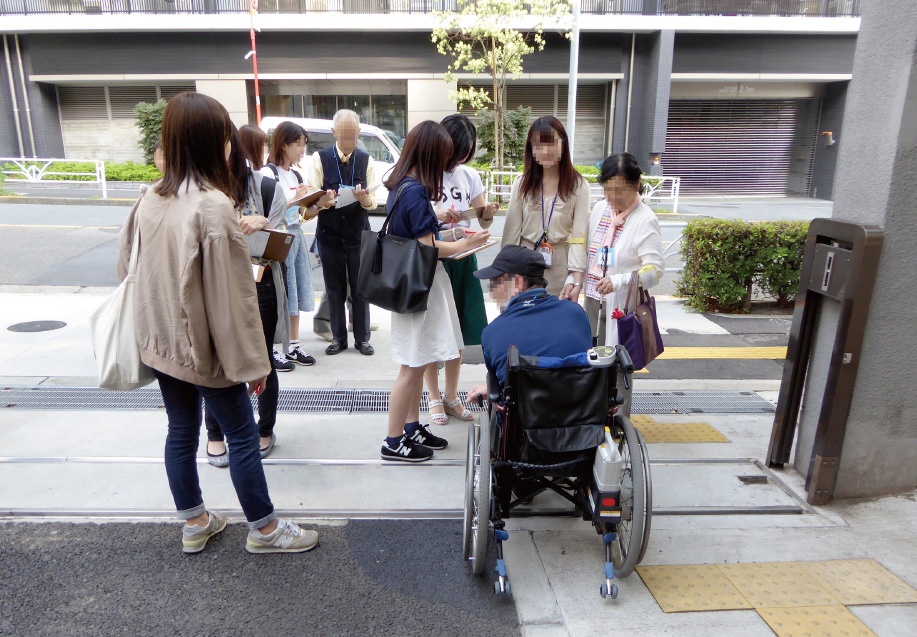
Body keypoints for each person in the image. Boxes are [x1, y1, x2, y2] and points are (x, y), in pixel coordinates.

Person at [117, 92, 317, 554]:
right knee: (243, 434)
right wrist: (254, 365)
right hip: (205, 349)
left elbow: (127, 266)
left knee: (180, 430)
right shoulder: (213, 207)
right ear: (214, 143)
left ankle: (195, 522)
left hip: (163, 343)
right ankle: (265, 530)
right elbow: (234, 301)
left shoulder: (150, 197)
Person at [381, 120, 491, 462]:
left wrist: (455, 238)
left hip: (413, 284)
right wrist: (466, 241)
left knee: (421, 358)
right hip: (420, 286)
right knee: (411, 366)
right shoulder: (413, 192)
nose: (448, 163)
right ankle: (393, 440)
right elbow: (430, 247)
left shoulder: (402, 184)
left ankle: (412, 428)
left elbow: (423, 240)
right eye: (443, 155)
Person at [203, 124, 294, 469]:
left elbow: (285, 239)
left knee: (262, 359)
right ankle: (214, 433)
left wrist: (264, 225)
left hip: (262, 282)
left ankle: (265, 428)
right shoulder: (205, 189)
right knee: (218, 362)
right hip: (218, 286)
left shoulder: (266, 187)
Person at [423, 114, 498, 425]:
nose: (461, 160)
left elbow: (482, 220)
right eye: (458, 152)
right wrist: (437, 212)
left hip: (464, 257)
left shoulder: (469, 176)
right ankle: (432, 396)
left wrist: (489, 213)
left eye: (467, 154)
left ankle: (451, 395)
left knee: (460, 332)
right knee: (431, 331)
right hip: (433, 258)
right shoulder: (425, 174)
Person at [467, 245, 593, 392]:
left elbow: (499, 382)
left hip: (526, 412)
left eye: (496, 282)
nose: (492, 290)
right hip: (582, 410)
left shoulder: (492, 332)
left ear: (517, 282)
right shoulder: (576, 313)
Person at [304, 109, 376, 356]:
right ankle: (338, 338)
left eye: (354, 135)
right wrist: (324, 200)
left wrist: (365, 198)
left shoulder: (367, 159)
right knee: (334, 288)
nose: (349, 141)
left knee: (360, 288)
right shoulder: (319, 159)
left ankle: (362, 338)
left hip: (358, 234)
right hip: (329, 233)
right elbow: (310, 200)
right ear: (334, 133)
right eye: (345, 136)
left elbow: (373, 201)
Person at [262, 122, 330, 367]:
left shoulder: (296, 174)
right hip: (278, 237)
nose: (302, 149)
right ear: (284, 144)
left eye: (303, 144)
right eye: (297, 144)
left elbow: (304, 215)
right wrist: (293, 199)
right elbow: (269, 212)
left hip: (295, 235)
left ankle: (294, 344)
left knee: (296, 289)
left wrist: (320, 203)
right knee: (281, 292)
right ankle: (274, 347)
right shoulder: (268, 173)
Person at [502, 116, 591, 300]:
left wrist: (575, 280)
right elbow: (511, 234)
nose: (545, 151)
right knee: (526, 323)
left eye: (551, 143)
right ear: (531, 149)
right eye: (538, 145)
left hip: (560, 266)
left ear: (563, 144)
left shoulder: (579, 186)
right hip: (524, 263)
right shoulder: (522, 183)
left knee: (557, 324)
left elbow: (579, 237)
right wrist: (506, 272)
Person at [585, 153, 664, 346]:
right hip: (594, 299)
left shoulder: (645, 220)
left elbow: (655, 271)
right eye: (607, 190)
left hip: (621, 306)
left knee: (617, 365)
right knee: (590, 361)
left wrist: (618, 281)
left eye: (619, 191)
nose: (612, 197)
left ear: (636, 184)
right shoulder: (601, 209)